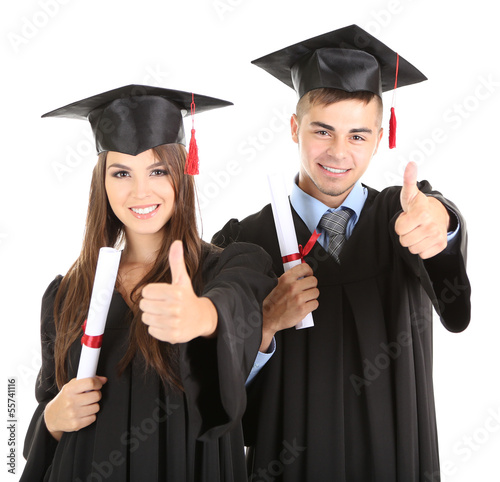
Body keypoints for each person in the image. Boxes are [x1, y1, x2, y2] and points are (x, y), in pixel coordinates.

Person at [212, 25, 471, 481]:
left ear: (379, 135)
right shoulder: (244, 243)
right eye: (322, 130)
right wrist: (264, 324)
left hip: (397, 461)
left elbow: (453, 300)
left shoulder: (401, 218)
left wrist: (442, 229)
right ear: (295, 127)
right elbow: (213, 396)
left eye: (357, 135)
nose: (337, 152)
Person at [21, 85, 276, 482]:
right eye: (121, 173)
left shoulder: (227, 270)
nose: (140, 191)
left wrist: (203, 317)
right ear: (102, 184)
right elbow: (47, 407)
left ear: (181, 173)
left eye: (157, 170)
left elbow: (239, 304)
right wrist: (52, 419)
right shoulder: (68, 294)